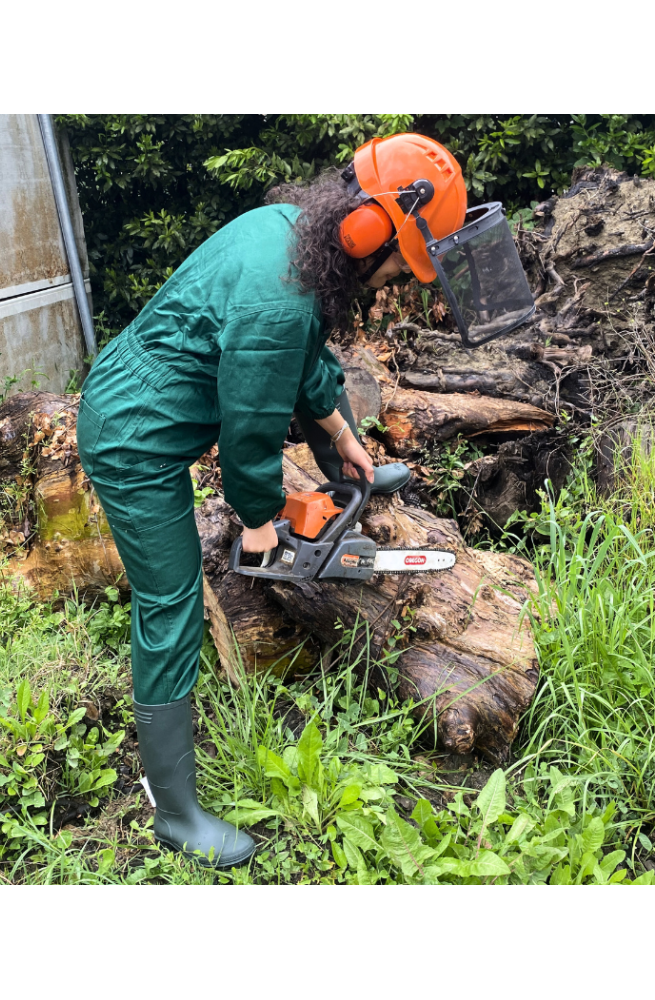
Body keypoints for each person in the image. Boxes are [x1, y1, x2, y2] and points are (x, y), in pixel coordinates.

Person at [76, 132, 468, 868]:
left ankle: (339, 472)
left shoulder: (287, 233)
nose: (388, 284)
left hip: (148, 394)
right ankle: (174, 809)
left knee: (304, 418)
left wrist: (346, 447)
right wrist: (257, 522)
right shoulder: (278, 297)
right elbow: (250, 428)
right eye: (394, 270)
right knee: (170, 603)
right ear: (365, 232)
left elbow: (301, 360)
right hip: (132, 438)